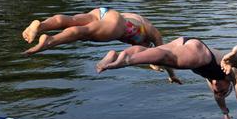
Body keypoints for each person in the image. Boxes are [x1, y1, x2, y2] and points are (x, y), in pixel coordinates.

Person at [95, 37, 237, 119]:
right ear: (229, 86)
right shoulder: (233, 75)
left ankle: (115, 55)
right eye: (221, 91)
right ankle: (126, 60)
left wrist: (225, 113)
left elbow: (219, 99)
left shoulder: (212, 82)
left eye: (216, 92)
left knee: (158, 54)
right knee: (166, 57)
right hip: (199, 51)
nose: (216, 89)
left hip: (184, 42)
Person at [22, 7, 180, 82]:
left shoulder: (143, 22)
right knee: (83, 32)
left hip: (104, 12)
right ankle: (49, 41)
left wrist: (156, 65)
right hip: (120, 26)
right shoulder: (153, 35)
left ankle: (40, 25)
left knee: (71, 20)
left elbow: (150, 56)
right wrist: (171, 75)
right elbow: (162, 54)